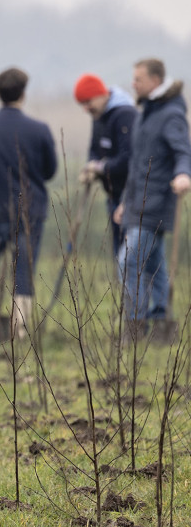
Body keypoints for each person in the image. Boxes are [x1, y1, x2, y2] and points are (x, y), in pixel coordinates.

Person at [0, 67, 58, 346]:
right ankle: (20, 334)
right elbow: (50, 170)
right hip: (29, 214)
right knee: (23, 273)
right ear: (23, 94)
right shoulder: (39, 130)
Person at [115, 57, 191, 331]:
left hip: (157, 202)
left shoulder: (171, 115)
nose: (133, 84)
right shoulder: (145, 112)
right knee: (154, 265)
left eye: (138, 79)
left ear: (155, 81)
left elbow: (183, 151)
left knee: (128, 261)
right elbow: (137, 163)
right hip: (137, 202)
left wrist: (184, 174)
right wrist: (125, 201)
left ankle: (135, 326)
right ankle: (160, 323)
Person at [74, 72, 136, 257]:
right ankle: (122, 286)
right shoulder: (99, 116)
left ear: (101, 95)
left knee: (130, 257)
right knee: (119, 253)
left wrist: (100, 168)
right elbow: (94, 149)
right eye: (82, 104)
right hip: (113, 194)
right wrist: (90, 166)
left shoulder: (125, 115)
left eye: (88, 102)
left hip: (130, 195)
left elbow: (128, 159)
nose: (86, 108)